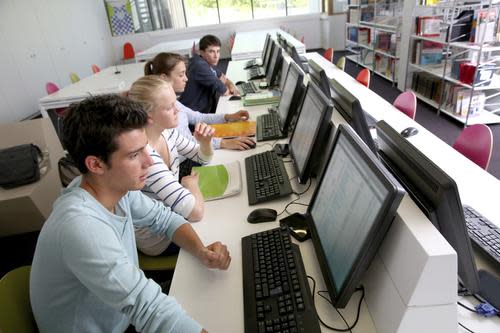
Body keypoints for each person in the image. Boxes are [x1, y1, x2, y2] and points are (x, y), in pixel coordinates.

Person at [30, 94, 231, 333]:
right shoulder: (80, 226)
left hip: (121, 315)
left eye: (145, 148)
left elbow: (165, 219)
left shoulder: (115, 188)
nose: (149, 161)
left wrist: (201, 250)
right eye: (134, 155)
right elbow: (148, 309)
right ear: (96, 164)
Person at [128, 76, 212, 256]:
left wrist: (205, 142)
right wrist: (190, 186)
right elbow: (195, 212)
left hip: (174, 216)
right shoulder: (146, 156)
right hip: (159, 239)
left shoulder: (167, 132)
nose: (178, 111)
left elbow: (202, 157)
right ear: (149, 117)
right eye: (169, 107)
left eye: (176, 103)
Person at [145, 52, 255, 151]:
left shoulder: (174, 102)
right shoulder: (163, 111)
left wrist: (228, 116)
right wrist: (224, 143)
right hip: (189, 158)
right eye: (181, 75)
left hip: (194, 151)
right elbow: (187, 143)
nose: (186, 79)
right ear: (164, 78)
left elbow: (198, 117)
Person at [179, 34, 238, 114]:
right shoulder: (199, 65)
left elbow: (223, 78)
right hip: (194, 116)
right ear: (202, 52)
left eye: (218, 51)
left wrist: (230, 85)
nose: (216, 56)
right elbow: (224, 90)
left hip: (204, 111)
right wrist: (229, 89)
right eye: (211, 51)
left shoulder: (207, 62)